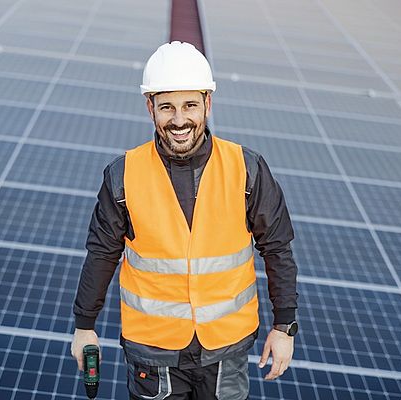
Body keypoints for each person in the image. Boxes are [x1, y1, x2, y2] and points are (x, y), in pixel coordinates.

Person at [71, 41, 299, 400]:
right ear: (150, 108)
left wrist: (284, 326)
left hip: (226, 348)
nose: (179, 120)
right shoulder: (123, 175)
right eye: (167, 107)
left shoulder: (247, 169)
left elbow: (278, 249)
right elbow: (101, 254)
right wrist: (84, 326)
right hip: (153, 350)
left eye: (190, 105)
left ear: (208, 103)